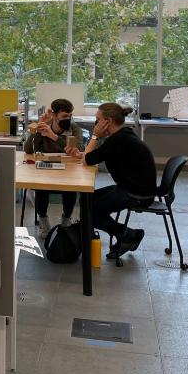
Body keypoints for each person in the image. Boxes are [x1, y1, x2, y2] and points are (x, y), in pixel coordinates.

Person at [65, 103, 156, 258]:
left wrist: (95, 136)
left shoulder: (117, 140)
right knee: (87, 201)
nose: (96, 124)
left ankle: (129, 235)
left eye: (97, 119)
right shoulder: (123, 135)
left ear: (108, 121)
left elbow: (88, 160)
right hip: (133, 187)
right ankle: (127, 234)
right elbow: (94, 156)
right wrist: (80, 155)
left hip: (137, 194)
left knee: (90, 212)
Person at [23, 98, 82, 235]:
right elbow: (28, 150)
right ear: (54, 115)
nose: (68, 119)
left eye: (70, 115)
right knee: (41, 187)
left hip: (68, 171)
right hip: (46, 169)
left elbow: (78, 149)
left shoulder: (73, 128)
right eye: (64, 116)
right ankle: (44, 221)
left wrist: (54, 136)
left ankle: (66, 221)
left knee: (70, 189)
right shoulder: (44, 126)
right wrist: (38, 128)